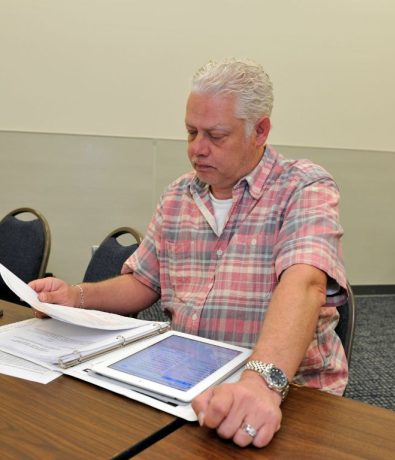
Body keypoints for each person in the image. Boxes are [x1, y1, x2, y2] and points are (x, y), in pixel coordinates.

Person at [30, 58, 348, 448]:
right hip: (188, 384)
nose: (197, 149)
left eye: (216, 135)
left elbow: (306, 283)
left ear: (259, 130)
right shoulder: (179, 194)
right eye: (191, 132)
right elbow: (143, 282)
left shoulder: (303, 187)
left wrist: (260, 382)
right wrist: (76, 297)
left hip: (283, 389)